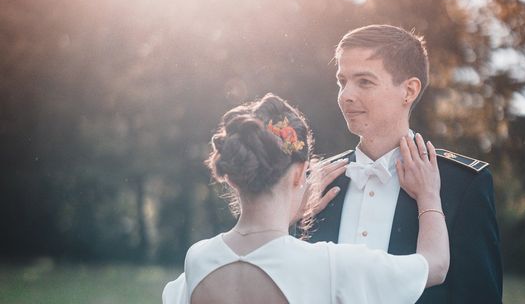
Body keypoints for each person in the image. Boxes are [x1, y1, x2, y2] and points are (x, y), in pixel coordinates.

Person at [162, 93, 449, 304]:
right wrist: (429, 195)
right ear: (301, 173)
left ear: (232, 176)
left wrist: (287, 214)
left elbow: (259, 255)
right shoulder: (330, 265)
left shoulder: (198, 259)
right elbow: (434, 266)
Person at [310, 24, 503, 304]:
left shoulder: (461, 183)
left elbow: (479, 297)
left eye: (364, 81)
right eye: (342, 81)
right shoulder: (318, 182)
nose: (345, 95)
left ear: (409, 91)